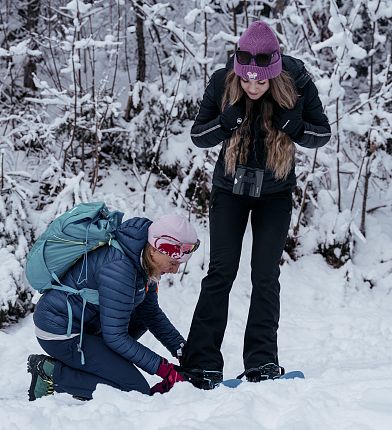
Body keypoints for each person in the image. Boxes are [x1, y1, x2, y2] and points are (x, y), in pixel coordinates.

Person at [179, 20, 331, 389]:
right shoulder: (221, 81)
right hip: (229, 190)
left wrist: (295, 126)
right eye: (246, 80)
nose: (252, 86)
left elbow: (322, 133)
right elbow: (198, 136)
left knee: (266, 276)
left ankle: (262, 361)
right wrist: (224, 122)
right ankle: (202, 363)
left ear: (274, 73)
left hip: (275, 193)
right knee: (221, 272)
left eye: (260, 81)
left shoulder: (297, 81)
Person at [27, 214, 200, 400]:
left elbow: (150, 313)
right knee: (134, 391)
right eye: (173, 263)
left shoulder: (142, 260)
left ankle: (98, 369)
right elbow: (115, 337)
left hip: (88, 326)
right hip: (61, 332)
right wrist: (164, 369)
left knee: (142, 316)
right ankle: (51, 373)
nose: (175, 270)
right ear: (154, 250)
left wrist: (182, 350)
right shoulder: (120, 267)